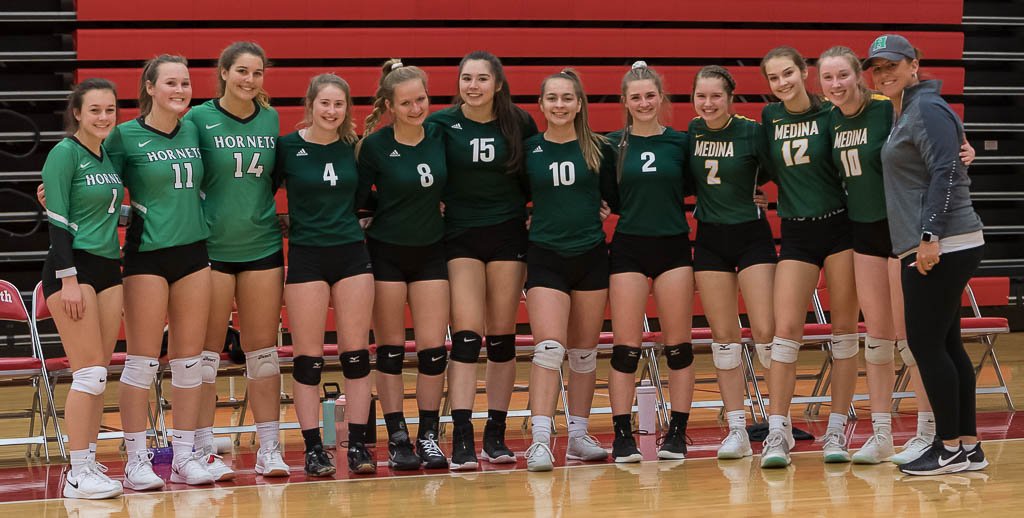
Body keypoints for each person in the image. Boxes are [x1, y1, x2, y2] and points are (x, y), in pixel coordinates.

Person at [866, 33, 987, 476]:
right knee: (946, 344)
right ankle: (968, 447)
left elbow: (946, 169)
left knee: (926, 344)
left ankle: (948, 445)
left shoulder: (928, 108)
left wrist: (930, 236)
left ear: (915, 63)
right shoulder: (909, 109)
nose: (884, 73)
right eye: (878, 69)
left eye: (892, 65)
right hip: (938, 242)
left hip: (940, 243)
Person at [426, 51, 538, 470]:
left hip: (508, 233)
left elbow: (534, 175)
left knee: (502, 338)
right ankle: (461, 436)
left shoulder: (519, 123)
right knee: (468, 336)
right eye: (466, 78)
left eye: (482, 79)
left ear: (498, 84)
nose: (473, 86)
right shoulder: (440, 124)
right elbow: (425, 172)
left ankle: (496, 433)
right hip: (460, 236)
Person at [106, 55, 215, 487]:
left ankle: (185, 456)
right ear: (149, 88)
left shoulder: (195, 128)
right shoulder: (124, 137)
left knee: (191, 364)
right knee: (141, 364)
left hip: (194, 254)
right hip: (146, 258)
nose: (180, 90)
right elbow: (97, 185)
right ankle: (136, 461)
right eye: (170, 82)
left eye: (185, 83)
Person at [183, 41, 287, 480]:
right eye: (242, 71)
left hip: (262, 245)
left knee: (263, 354)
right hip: (212, 248)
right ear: (223, 72)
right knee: (206, 356)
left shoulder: (271, 118)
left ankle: (270, 448)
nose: (249, 80)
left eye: (257, 73)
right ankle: (205, 449)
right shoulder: (197, 119)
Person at [758, 47, 860, 468]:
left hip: (840, 227)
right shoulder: (769, 118)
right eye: (773, 78)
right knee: (784, 332)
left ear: (804, 73)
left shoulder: (831, 115)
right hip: (797, 230)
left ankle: (836, 429)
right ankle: (778, 431)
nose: (782, 83)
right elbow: (760, 165)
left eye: (788, 74)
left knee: (843, 331)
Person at [274, 74, 376, 475]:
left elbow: (370, 196)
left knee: (355, 356)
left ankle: (358, 446)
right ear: (310, 105)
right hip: (306, 257)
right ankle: (314, 448)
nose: (332, 111)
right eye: (325, 104)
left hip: (351, 255)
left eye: (339, 105)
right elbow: (260, 192)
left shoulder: (355, 149)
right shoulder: (287, 148)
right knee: (308, 360)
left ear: (347, 109)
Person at [359, 59, 450, 471]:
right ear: (391, 106)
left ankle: (429, 435)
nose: (417, 109)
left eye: (422, 100)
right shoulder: (376, 146)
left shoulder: (441, 136)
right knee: (391, 351)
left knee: (433, 351)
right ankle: (397, 437)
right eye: (407, 103)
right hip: (387, 253)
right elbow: (359, 199)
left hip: (431, 250)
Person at [522, 69, 615, 472]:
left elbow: (617, 196)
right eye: (552, 98)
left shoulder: (600, 149)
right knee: (549, 347)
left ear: (580, 104)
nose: (560, 105)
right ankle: (541, 439)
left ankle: (577, 435)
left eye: (567, 98)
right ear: (541, 105)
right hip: (545, 255)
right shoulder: (528, 150)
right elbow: (507, 199)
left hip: (591, 255)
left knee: (582, 353)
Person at [604, 61, 695, 463]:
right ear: (625, 101)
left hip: (673, 246)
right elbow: (605, 198)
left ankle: (677, 432)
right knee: (626, 349)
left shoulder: (680, 143)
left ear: (661, 97)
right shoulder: (610, 146)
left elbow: (704, 186)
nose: (643, 102)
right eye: (635, 97)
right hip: (629, 247)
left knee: (678, 347)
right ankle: (622, 436)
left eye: (650, 95)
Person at [687, 65, 777, 460]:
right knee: (724, 337)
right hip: (710, 239)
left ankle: (778, 427)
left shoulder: (752, 131)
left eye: (716, 96)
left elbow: (785, 172)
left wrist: (767, 198)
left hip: (752, 237)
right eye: (701, 96)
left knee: (767, 334)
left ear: (730, 97)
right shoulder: (691, 132)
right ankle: (737, 429)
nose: (708, 103)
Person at [41, 79, 125, 500]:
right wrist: (69, 279)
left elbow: (106, 210)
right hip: (71, 270)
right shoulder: (64, 153)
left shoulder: (106, 154)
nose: (104, 117)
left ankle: (89, 461)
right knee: (87, 373)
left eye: (110, 110)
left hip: (110, 267)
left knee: (99, 373)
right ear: (77, 113)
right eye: (95, 110)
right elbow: (58, 221)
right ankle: (75, 474)